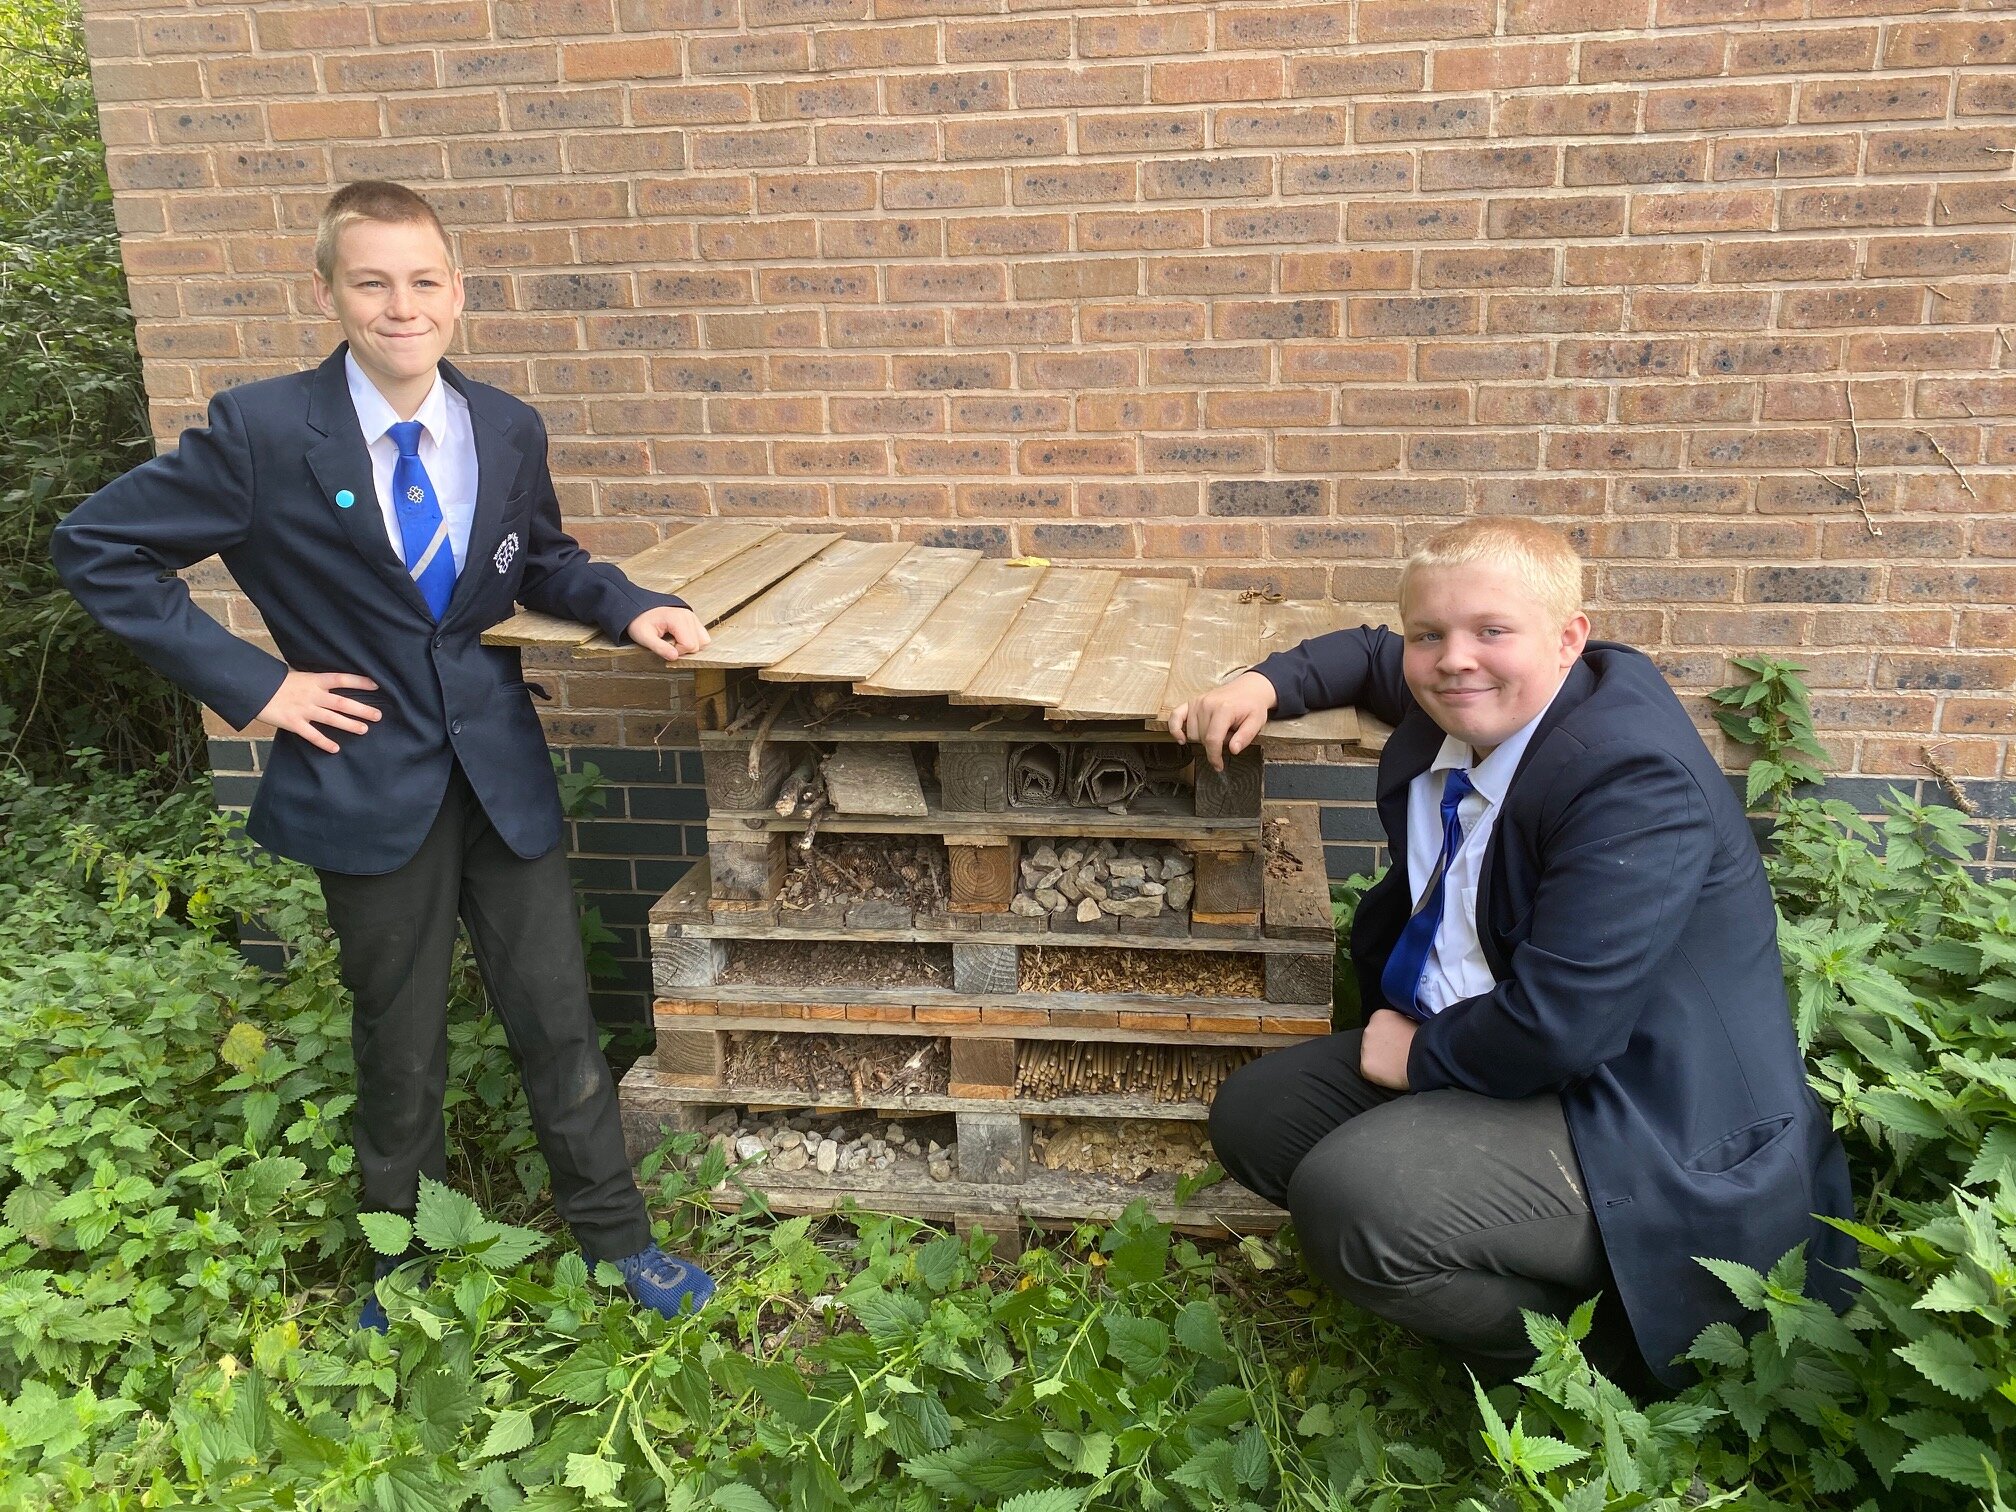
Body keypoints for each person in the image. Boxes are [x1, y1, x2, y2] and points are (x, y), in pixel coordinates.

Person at [53, 181, 717, 1331]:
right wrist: (258, 687)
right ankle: (399, 1256)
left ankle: (619, 1240)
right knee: (398, 1033)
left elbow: (540, 558)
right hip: (365, 780)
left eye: (422, 281)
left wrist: (627, 603)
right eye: (371, 282)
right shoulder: (264, 431)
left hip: (499, 777)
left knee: (558, 1015)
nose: (399, 306)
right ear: (330, 293)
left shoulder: (504, 425)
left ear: (456, 293)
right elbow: (99, 548)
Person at [1168, 519, 1853, 1390]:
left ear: (1570, 638)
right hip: (1523, 1048)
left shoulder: (1630, 781)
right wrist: (1262, 683)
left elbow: (1562, 1026)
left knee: (1355, 1200)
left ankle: (1596, 1368)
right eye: (1434, 634)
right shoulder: (1475, 691)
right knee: (1260, 1116)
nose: (1456, 659)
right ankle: (1495, 1269)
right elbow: (1371, 654)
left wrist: (1420, 1058)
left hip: (1642, 1105)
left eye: (1491, 631)